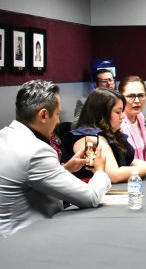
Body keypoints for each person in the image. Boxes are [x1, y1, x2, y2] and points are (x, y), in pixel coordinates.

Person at [0, 80, 111, 238]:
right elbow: (91, 197)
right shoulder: (35, 150)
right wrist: (100, 170)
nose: (58, 121)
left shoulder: (5, 136)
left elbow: (26, 175)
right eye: (57, 114)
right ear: (43, 115)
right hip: (24, 239)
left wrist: (65, 169)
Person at [64, 88, 146, 183]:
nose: (122, 116)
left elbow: (128, 161)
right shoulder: (89, 140)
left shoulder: (111, 134)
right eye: (118, 112)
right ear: (102, 114)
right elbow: (113, 175)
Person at [118, 76, 146, 160]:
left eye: (140, 95)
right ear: (120, 97)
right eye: (130, 96)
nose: (137, 101)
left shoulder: (140, 117)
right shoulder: (117, 122)